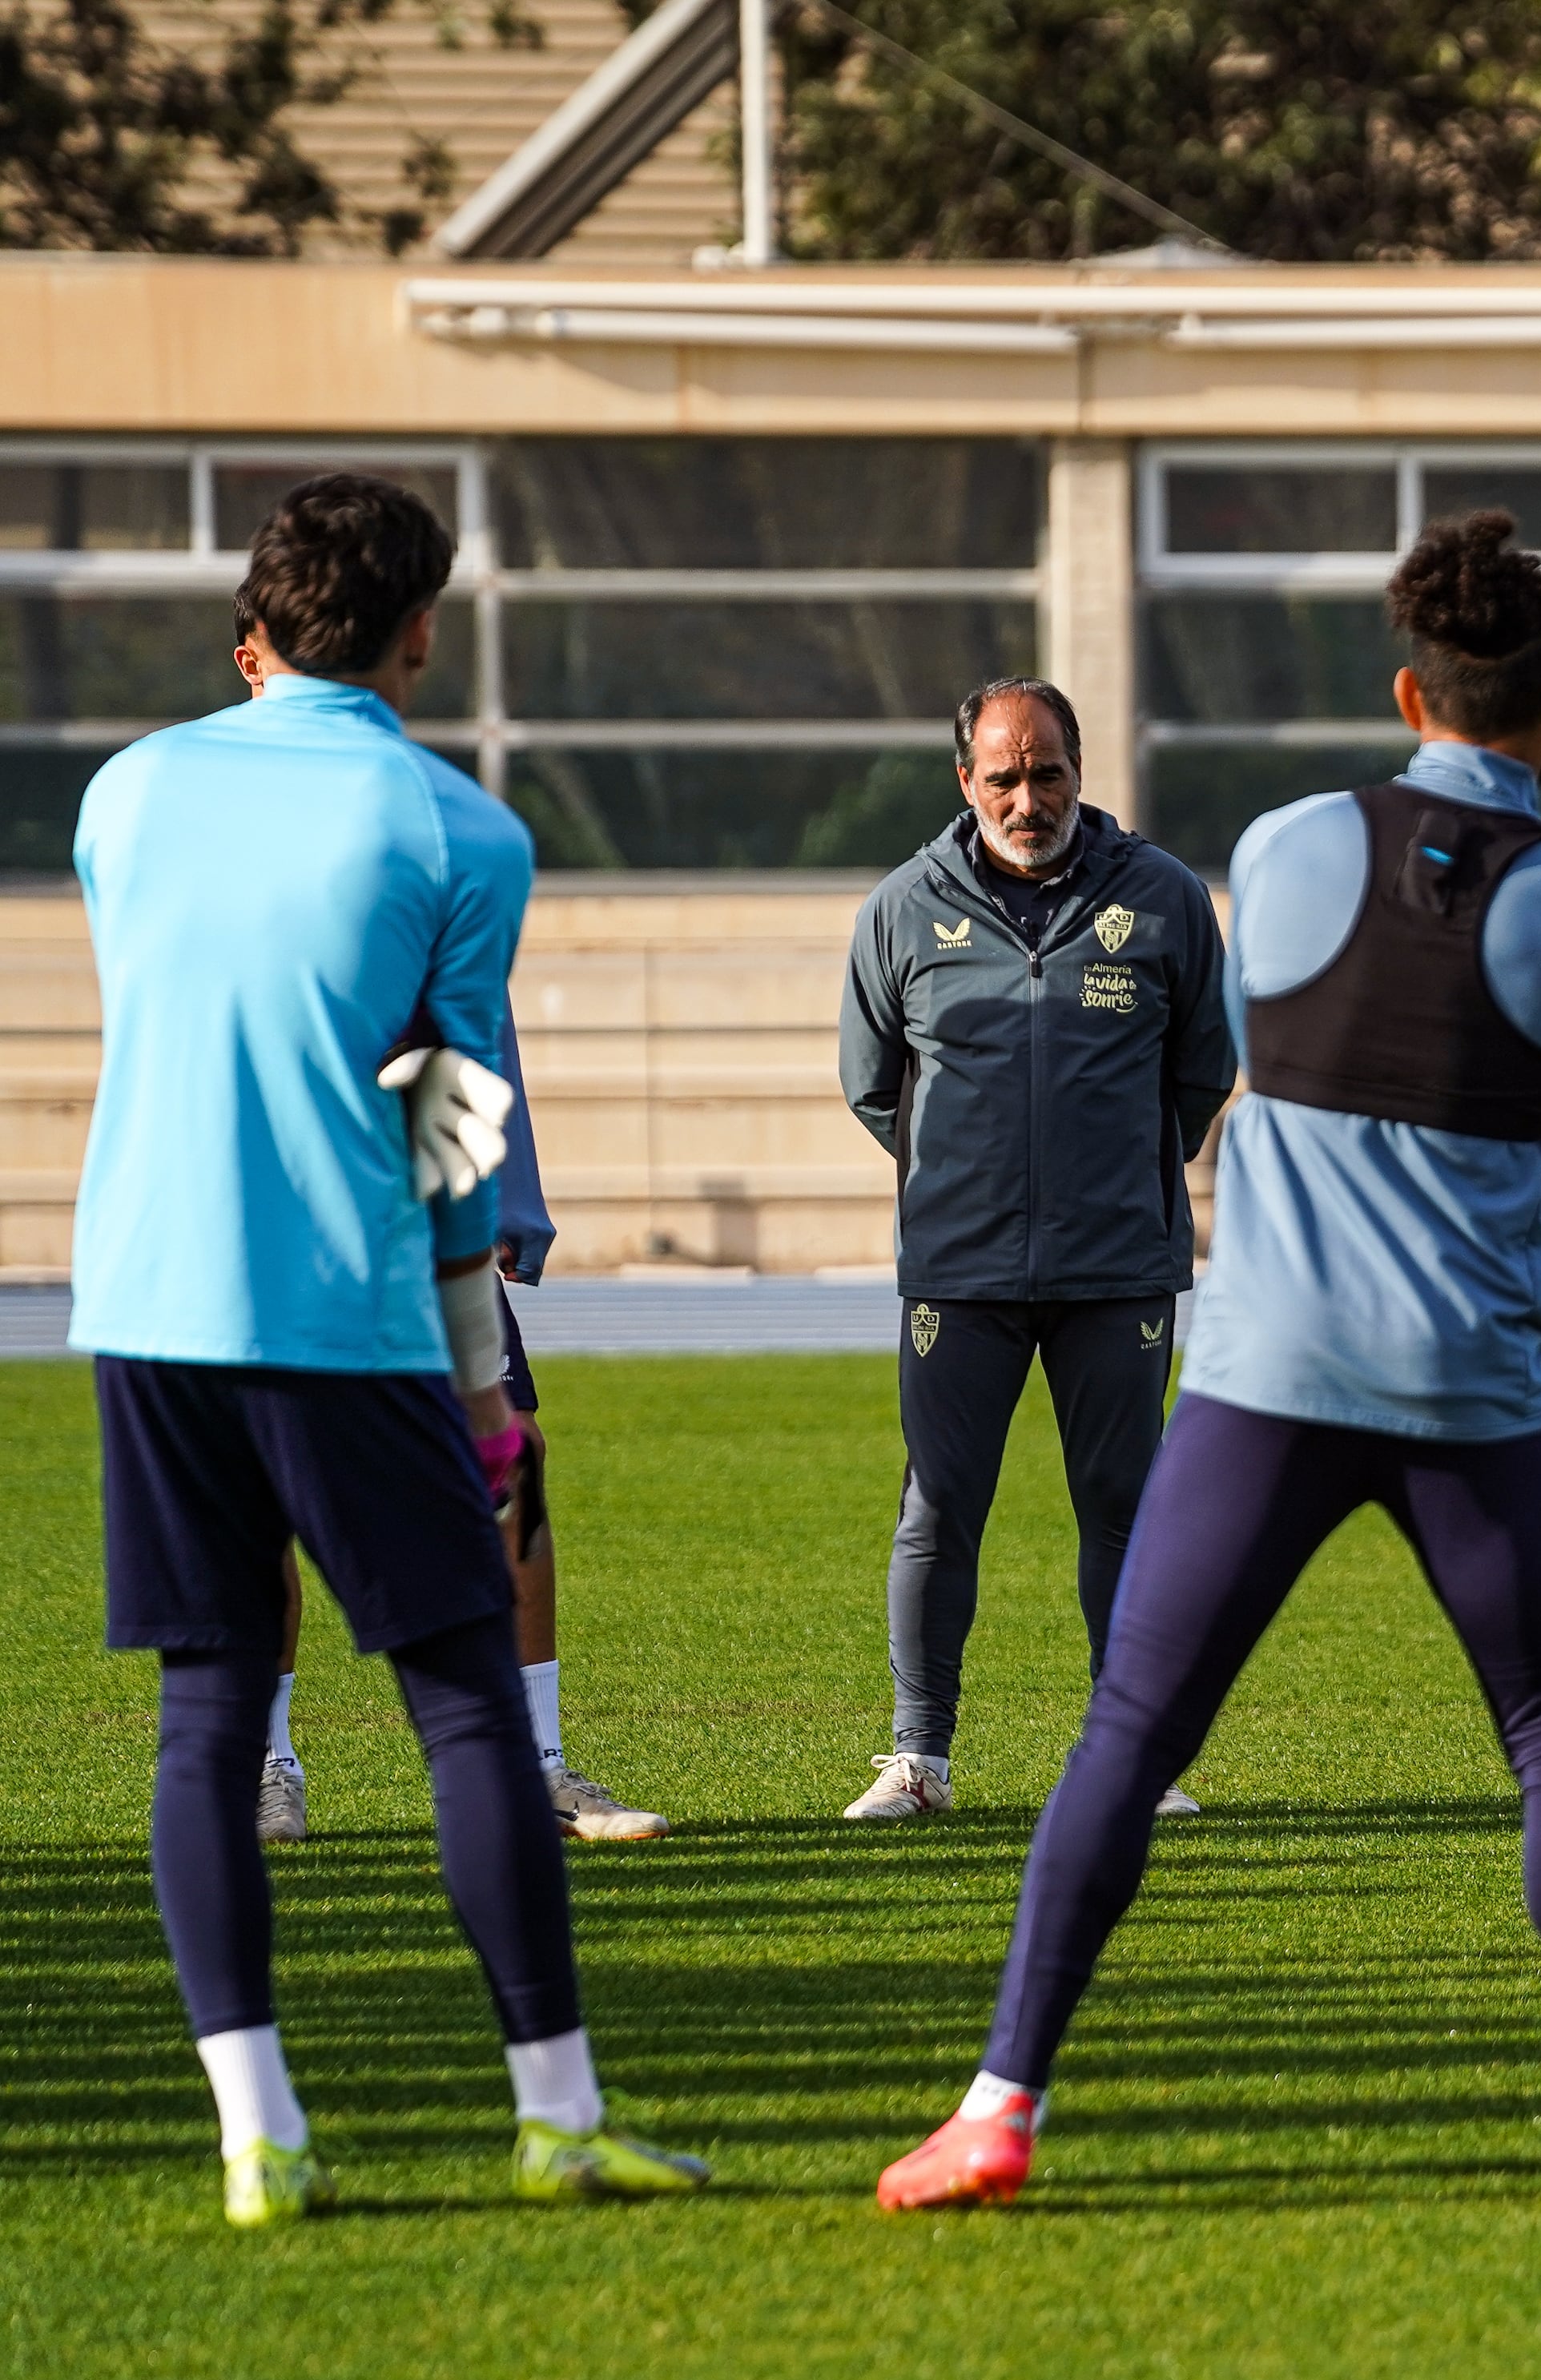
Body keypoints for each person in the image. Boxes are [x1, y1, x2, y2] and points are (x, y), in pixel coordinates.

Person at [877, 512, 1541, 2210]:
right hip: (1466, 1392)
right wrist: (1538, 1113)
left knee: (1128, 1733)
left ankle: (996, 2108)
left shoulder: (1279, 847)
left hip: (1263, 1373)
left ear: (1403, 686)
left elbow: (1241, 1058)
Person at [74, 472, 705, 2224]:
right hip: (344, 1318)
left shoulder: (125, 793)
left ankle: (255, 2136)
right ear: (425, 632)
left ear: (257, 628)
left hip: (139, 1304)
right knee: (464, 1712)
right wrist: (480, 1376)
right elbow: (449, 1115)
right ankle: (558, 2114)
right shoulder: (460, 836)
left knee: (207, 1716)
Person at [228, 609, 665, 1850]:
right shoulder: (208, 809)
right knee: (262, 1494)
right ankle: (267, 1767)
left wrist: (497, 1201)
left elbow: (461, 1029)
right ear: (251, 661)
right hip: (273, 1224)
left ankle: (535, 1761)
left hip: (421, 1216)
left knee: (509, 1464)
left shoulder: (424, 819)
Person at [838, 677, 1233, 1824]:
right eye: (1003, 776)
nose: (1028, 796)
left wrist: (1116, 1174)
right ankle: (920, 1758)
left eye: (1047, 771)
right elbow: (874, 1087)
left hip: (1119, 1269)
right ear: (965, 782)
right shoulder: (904, 909)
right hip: (958, 1273)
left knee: (1125, 1504)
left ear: (1079, 770)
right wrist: (968, 1181)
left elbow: (1202, 1070)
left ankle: (1131, 1758)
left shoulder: (1160, 899)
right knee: (939, 1508)